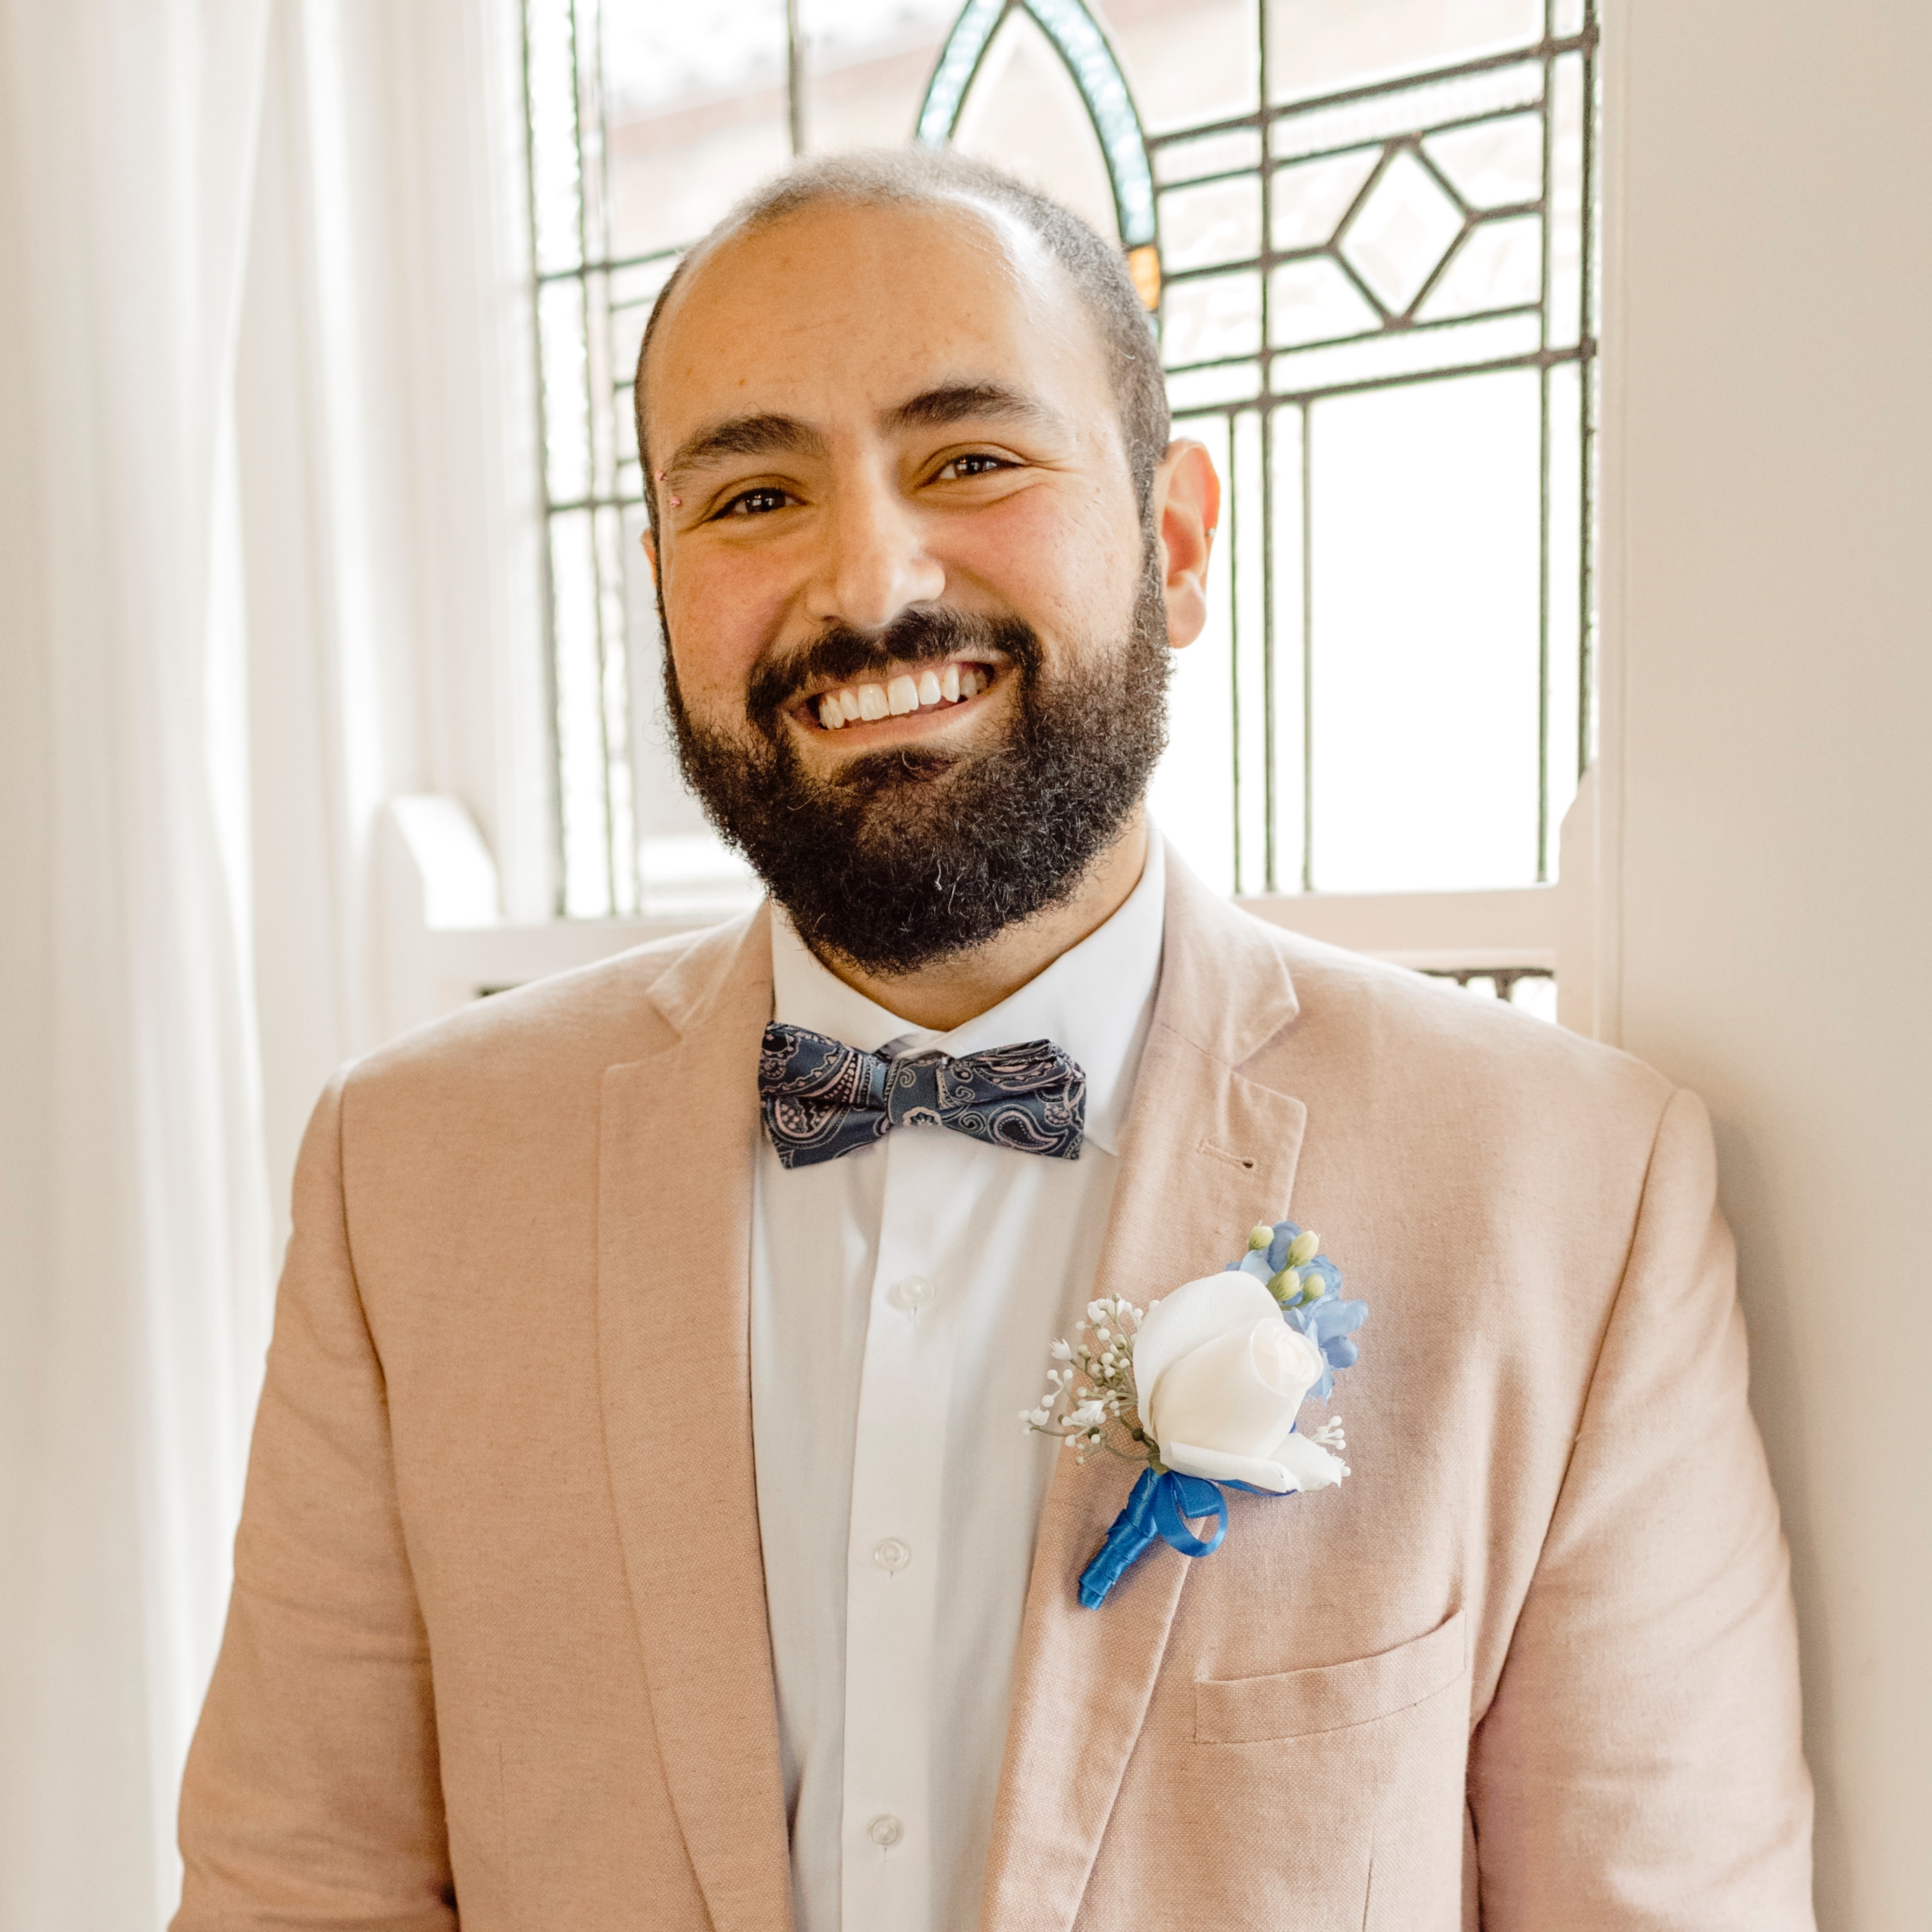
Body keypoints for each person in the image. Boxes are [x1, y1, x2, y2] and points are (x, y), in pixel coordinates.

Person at [174, 149, 1813, 1931]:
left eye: (971, 460)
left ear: (1175, 541)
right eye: (752, 497)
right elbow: (295, 1891)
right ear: (661, 589)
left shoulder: (1571, 1192)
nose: (868, 585)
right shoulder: (407, 1171)